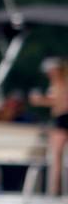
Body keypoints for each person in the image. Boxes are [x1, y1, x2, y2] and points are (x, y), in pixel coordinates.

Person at [29, 57, 68, 195]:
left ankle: (53, 191)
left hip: (62, 120)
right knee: (55, 157)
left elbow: (61, 102)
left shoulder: (61, 83)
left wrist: (41, 100)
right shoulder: (58, 83)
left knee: (56, 156)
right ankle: (54, 190)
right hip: (60, 120)